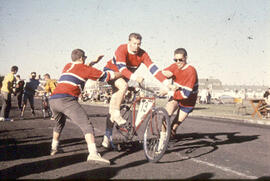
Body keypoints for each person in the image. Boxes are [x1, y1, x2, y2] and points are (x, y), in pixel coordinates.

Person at [49, 49, 120, 165]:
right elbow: (107, 76)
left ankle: (54, 148)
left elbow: (81, 68)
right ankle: (93, 154)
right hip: (66, 99)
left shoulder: (67, 66)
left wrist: (93, 62)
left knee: (59, 123)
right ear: (82, 58)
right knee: (86, 125)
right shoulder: (85, 69)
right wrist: (125, 73)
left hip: (53, 99)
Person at [101, 32, 168, 148]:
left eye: (139, 44)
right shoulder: (121, 49)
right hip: (112, 73)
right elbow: (122, 69)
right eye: (134, 43)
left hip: (125, 77)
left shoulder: (142, 54)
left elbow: (153, 69)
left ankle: (106, 137)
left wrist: (166, 83)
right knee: (123, 87)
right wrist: (135, 78)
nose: (136, 46)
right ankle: (117, 115)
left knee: (113, 107)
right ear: (129, 42)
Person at [159, 48, 198, 146]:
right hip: (176, 96)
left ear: (186, 58)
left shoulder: (191, 71)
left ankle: (171, 133)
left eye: (181, 60)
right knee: (166, 115)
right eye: (175, 60)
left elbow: (185, 94)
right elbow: (162, 73)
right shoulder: (174, 66)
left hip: (188, 99)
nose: (178, 62)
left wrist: (168, 91)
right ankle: (161, 141)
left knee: (174, 126)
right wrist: (166, 77)